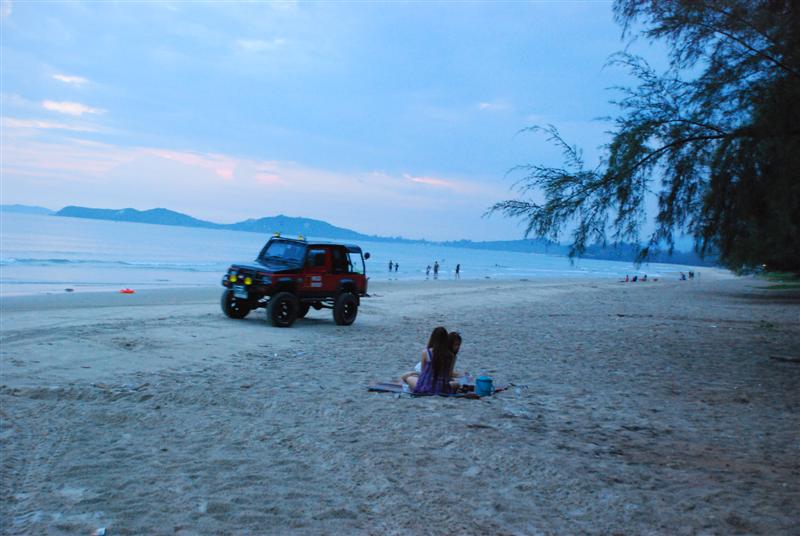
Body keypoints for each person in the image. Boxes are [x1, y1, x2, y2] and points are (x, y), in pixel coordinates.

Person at [401, 327, 460, 394]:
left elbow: (423, 373)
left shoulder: (426, 352)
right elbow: (448, 375)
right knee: (456, 384)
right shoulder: (451, 356)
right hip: (442, 389)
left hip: (426, 388)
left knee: (409, 378)